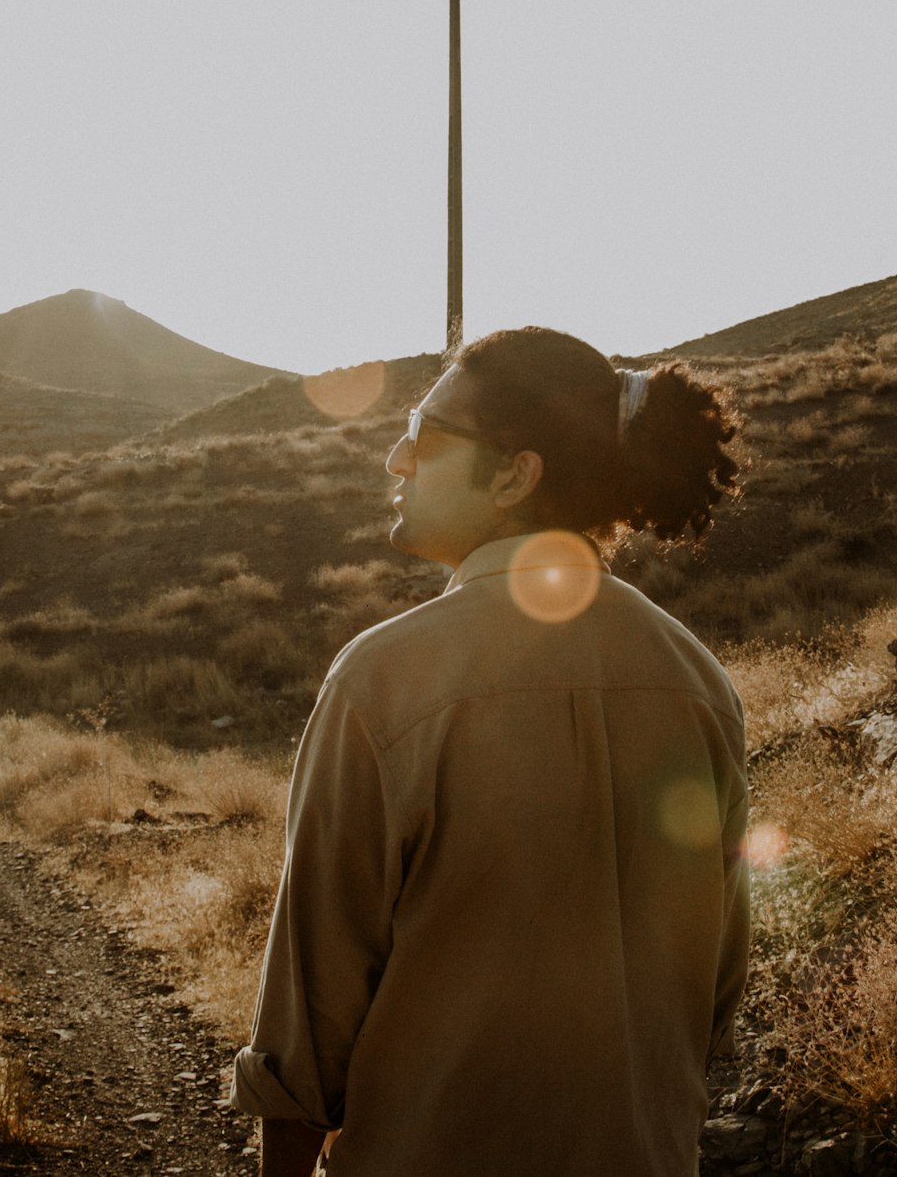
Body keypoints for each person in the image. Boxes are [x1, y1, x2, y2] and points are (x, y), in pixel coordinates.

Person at [230, 326, 749, 1177]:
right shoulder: (700, 681)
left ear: (516, 472)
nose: (397, 461)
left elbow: (311, 1015)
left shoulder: (384, 679)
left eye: (426, 438)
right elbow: (715, 987)